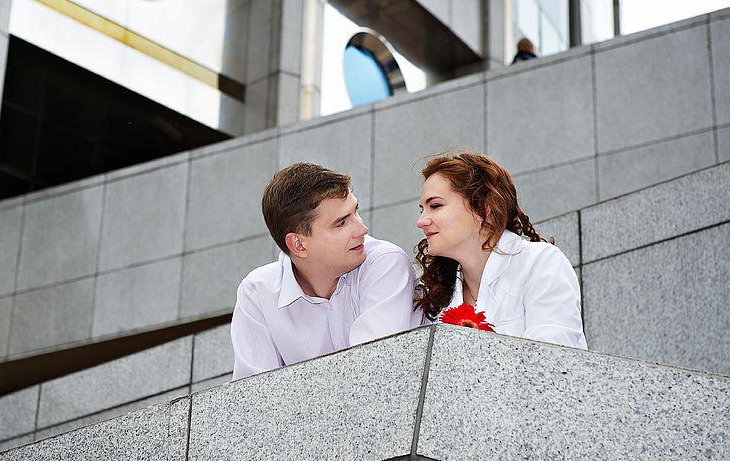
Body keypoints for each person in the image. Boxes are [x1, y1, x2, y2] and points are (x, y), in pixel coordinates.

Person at [231, 162, 423, 380]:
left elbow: (374, 373)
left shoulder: (385, 263)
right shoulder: (257, 293)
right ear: (299, 245)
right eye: (341, 223)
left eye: (355, 212)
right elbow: (253, 397)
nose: (362, 229)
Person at [414, 152, 587, 349]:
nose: (421, 222)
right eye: (422, 210)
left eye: (435, 205)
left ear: (483, 208)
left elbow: (550, 363)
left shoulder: (540, 263)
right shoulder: (435, 295)